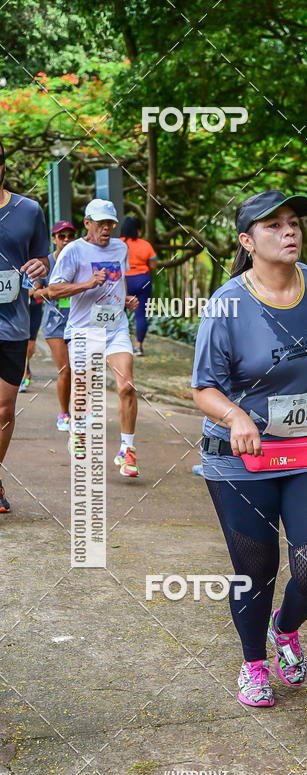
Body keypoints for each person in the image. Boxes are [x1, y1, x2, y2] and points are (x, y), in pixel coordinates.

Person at [191, 189, 307, 707]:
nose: (289, 231)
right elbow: (204, 386)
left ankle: (285, 627)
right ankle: (253, 665)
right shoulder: (227, 302)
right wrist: (235, 415)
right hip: (242, 458)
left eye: (293, 223)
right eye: (273, 226)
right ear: (248, 242)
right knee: (257, 570)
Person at [46, 198, 141, 477]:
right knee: (83, 389)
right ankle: (77, 431)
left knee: (127, 386)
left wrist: (126, 300)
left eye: (111, 222)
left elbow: (119, 279)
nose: (107, 228)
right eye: (101, 223)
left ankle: (127, 450)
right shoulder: (73, 251)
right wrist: (87, 283)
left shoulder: (120, 247)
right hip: (83, 330)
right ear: (87, 223)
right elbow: (53, 290)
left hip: (114, 327)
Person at [0, 138, 50, 512]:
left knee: (3, 410)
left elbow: (41, 259)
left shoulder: (29, 209)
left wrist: (41, 266)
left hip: (12, 325)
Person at [31, 220, 76, 429]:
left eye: (69, 236)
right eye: (62, 236)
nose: (66, 240)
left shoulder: (79, 258)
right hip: (54, 323)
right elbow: (32, 291)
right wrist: (48, 292)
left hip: (78, 321)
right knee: (65, 369)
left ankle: (81, 412)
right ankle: (64, 414)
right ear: (54, 239)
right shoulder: (46, 263)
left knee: (81, 370)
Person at [120, 216, 157, 356]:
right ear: (138, 231)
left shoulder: (117, 244)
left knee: (117, 311)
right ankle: (139, 346)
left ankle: (117, 344)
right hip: (142, 280)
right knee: (141, 314)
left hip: (123, 281)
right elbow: (153, 265)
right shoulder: (146, 245)